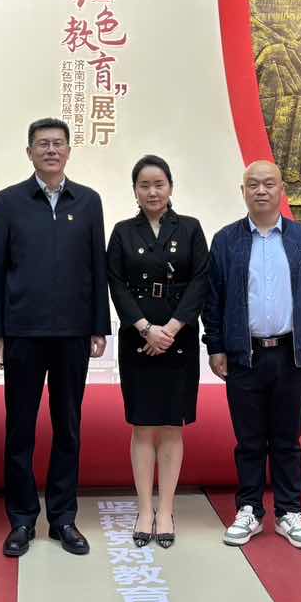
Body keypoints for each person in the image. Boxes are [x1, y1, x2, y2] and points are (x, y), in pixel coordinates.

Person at [0, 118, 111, 557]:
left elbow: (97, 266)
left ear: (69, 151)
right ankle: (22, 519)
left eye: (58, 143)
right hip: (22, 332)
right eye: (43, 144)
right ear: (30, 152)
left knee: (68, 428)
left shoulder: (89, 201)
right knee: (19, 429)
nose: (51, 150)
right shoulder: (9, 201)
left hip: (73, 333)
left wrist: (99, 325)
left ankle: (62, 518)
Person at [202, 160, 301, 551]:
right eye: (253, 184)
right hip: (245, 355)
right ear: (242, 191)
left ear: (281, 190)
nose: (261, 191)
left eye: (268, 184)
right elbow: (214, 298)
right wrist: (216, 346)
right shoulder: (226, 240)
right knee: (249, 440)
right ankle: (250, 510)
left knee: (288, 439)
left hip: (291, 354)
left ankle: (290, 512)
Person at [106, 155, 208, 549]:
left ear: (170, 187)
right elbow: (116, 284)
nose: (152, 192)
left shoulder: (191, 228)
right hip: (138, 338)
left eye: (159, 184)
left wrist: (172, 329)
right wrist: (146, 328)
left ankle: (166, 509)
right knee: (143, 426)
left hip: (179, 338)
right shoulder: (122, 232)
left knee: (171, 425)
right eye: (144, 185)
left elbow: (200, 281)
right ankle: (144, 509)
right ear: (135, 190)